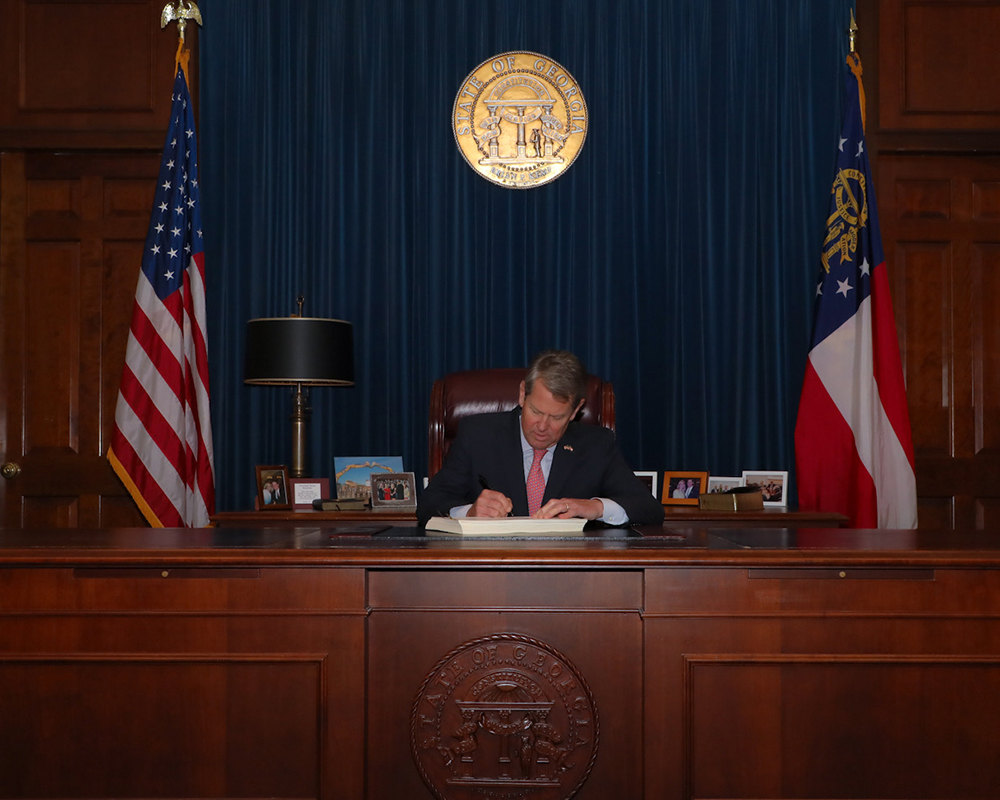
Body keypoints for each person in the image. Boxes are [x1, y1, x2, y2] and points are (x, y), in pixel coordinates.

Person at [417, 350, 665, 526]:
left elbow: (649, 509)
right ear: (523, 394)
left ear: (576, 410)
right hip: (491, 574)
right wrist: (469, 512)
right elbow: (429, 504)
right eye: (535, 411)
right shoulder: (478, 434)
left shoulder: (596, 445)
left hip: (571, 577)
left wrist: (596, 508)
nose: (542, 426)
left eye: (556, 417)